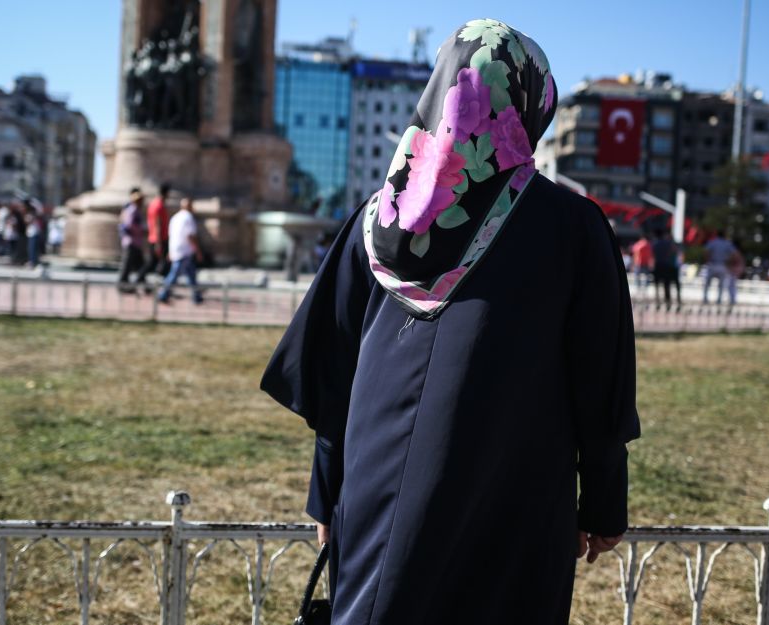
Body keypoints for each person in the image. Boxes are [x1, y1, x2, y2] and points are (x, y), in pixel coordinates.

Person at [261, 20, 637, 625]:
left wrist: (327, 496)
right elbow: (600, 382)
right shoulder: (572, 226)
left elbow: (330, 377)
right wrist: (603, 505)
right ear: (529, 106)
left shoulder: (376, 221)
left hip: (376, 491)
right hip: (515, 490)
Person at [157, 197, 203, 304]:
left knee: (191, 274)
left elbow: (171, 236)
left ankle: (196, 296)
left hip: (176, 249)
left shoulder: (175, 217)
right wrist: (198, 250)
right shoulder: (188, 217)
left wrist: (170, 250)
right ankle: (163, 294)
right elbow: (190, 236)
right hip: (184, 251)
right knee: (174, 274)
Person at [117, 188, 148, 293]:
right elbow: (130, 225)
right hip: (131, 242)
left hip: (134, 242)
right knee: (128, 266)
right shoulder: (133, 210)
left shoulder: (133, 209)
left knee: (140, 265)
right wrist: (141, 229)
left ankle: (144, 285)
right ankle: (123, 285)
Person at [143, 183, 172, 283]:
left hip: (156, 238)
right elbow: (157, 225)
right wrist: (158, 243)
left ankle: (165, 284)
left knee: (155, 263)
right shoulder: (158, 206)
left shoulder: (153, 204)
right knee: (157, 263)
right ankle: (140, 279)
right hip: (159, 239)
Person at [702, 230, 736, 306]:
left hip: (712, 264)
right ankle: (719, 300)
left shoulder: (713, 242)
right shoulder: (727, 243)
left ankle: (705, 298)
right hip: (722, 265)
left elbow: (706, 252)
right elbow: (734, 254)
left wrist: (708, 260)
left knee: (707, 284)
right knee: (721, 285)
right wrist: (728, 261)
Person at [652, 228, 680, 309]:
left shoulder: (655, 244)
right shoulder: (668, 244)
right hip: (667, 266)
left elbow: (653, 255)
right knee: (666, 285)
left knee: (657, 285)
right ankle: (668, 302)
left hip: (658, 265)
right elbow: (673, 252)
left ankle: (658, 302)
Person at [726, 238, 745, 306]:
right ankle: (732, 299)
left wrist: (729, 265)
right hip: (737, 269)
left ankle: (732, 300)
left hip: (734, 269)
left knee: (731, 285)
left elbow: (734, 261)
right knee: (732, 285)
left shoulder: (735, 251)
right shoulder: (738, 251)